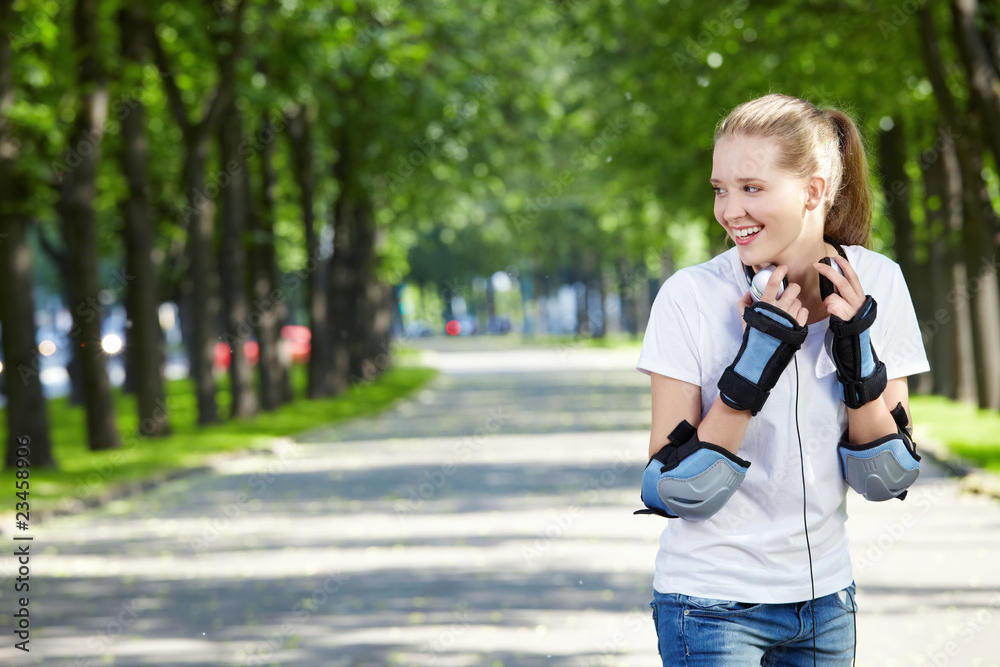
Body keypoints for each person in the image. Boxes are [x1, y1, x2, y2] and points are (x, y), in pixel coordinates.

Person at [634, 93, 929, 666]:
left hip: (825, 602)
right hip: (709, 603)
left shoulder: (878, 285)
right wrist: (754, 366)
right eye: (721, 189)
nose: (728, 210)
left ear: (814, 192)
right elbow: (677, 489)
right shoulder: (689, 296)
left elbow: (885, 477)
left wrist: (857, 360)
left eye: (751, 188)